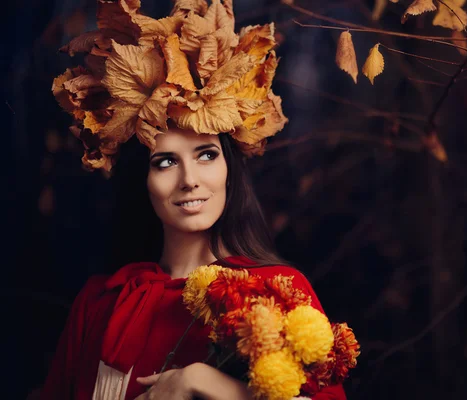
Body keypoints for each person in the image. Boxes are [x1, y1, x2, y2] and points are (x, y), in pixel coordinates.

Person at [42, 0, 351, 399]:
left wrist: (205, 383)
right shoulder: (101, 300)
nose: (190, 180)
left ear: (229, 168)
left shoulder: (276, 289)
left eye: (206, 155)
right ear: (144, 179)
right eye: (165, 161)